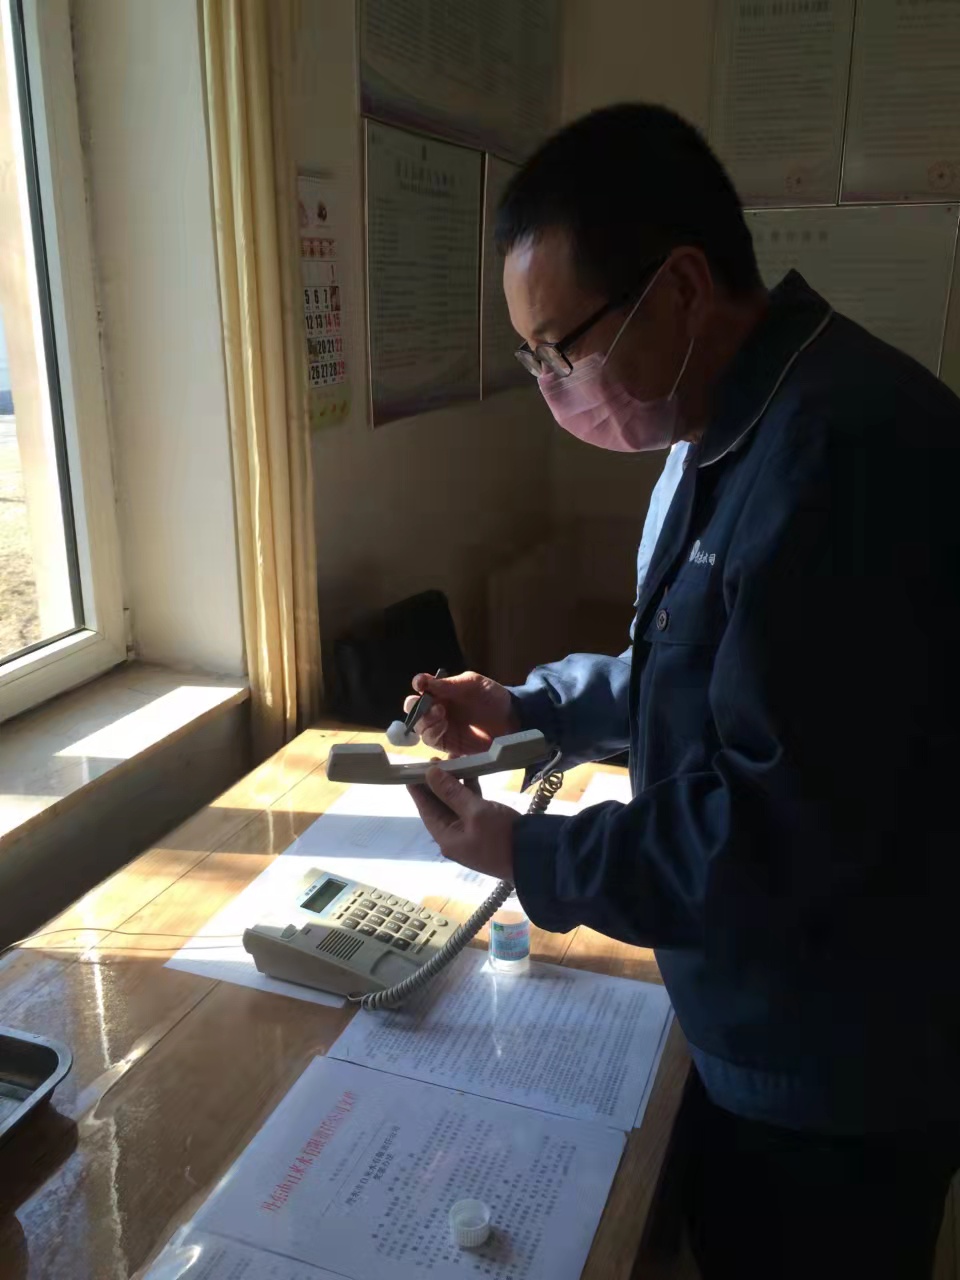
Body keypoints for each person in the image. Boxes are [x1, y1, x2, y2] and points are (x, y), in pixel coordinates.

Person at [404, 104, 960, 1278]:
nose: (553, 384)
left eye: (560, 348)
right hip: (763, 1018)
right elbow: (701, 672)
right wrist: (528, 705)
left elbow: (773, 834)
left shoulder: (841, 462)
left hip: (836, 1070)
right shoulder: (734, 423)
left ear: (682, 288)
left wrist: (529, 852)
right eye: (533, 360)